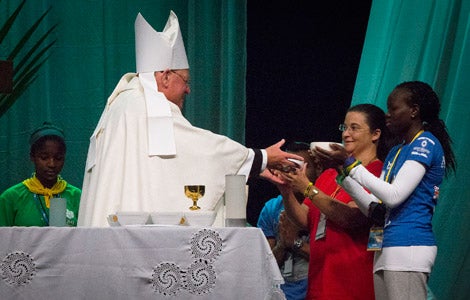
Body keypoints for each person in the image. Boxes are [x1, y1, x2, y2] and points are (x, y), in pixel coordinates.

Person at [78, 11, 301, 227]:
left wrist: (253, 167)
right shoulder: (151, 106)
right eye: (185, 81)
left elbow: (166, 168)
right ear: (165, 76)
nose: (188, 90)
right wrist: (260, 157)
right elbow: (202, 151)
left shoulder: (122, 102)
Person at [319, 81, 456, 300]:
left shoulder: (426, 143)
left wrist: (351, 164)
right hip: (386, 248)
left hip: (409, 246)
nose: (387, 115)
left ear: (414, 110)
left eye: (393, 109)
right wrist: (343, 172)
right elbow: (375, 208)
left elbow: (394, 196)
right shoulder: (396, 152)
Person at [269, 104, 394, 299]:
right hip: (320, 277)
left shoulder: (377, 173)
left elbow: (351, 218)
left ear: (375, 134)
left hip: (352, 277)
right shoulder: (329, 174)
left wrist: (306, 187)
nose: (346, 134)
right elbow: (303, 219)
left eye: (354, 128)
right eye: (344, 128)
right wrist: (286, 190)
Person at [257, 141, 324, 300]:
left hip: (315, 289)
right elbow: (264, 265)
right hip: (280, 292)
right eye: (289, 168)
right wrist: (282, 244)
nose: (294, 174)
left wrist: (295, 242)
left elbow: (329, 258)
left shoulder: (324, 205)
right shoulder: (271, 208)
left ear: (318, 169)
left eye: (301, 169)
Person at [0, 122, 81, 226]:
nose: (52, 164)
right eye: (44, 157)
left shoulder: (76, 197)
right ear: (32, 157)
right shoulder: (11, 198)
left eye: (58, 158)